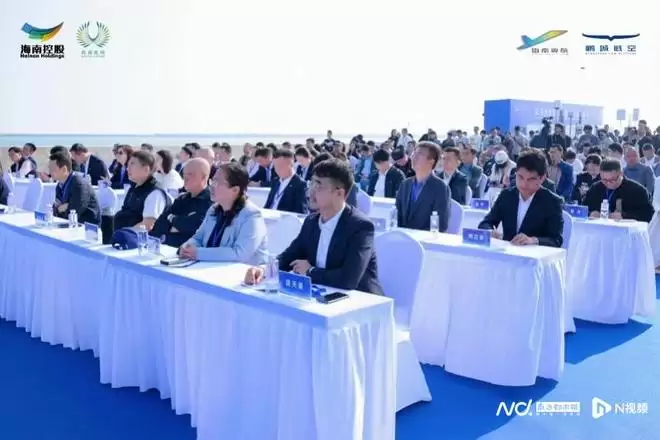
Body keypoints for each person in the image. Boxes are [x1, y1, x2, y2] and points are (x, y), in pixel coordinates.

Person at [243, 159, 384, 294]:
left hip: (361, 301)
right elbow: (289, 256)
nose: (311, 191)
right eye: (311, 184)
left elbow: (348, 279)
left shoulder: (360, 227)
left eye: (318, 185)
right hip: (322, 296)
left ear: (339, 193)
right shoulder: (311, 222)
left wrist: (310, 271)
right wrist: (265, 270)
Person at [180, 162, 268, 264]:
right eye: (212, 181)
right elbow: (198, 238)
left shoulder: (251, 215)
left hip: (245, 272)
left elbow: (240, 253)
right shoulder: (213, 210)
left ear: (235, 190)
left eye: (217, 182)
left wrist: (198, 253)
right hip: (212, 268)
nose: (211, 186)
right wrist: (187, 247)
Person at [478, 149, 564, 247]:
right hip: (507, 252)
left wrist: (533, 240)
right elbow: (485, 223)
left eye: (530, 179)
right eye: (520, 177)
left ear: (542, 178)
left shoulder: (552, 202)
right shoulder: (506, 195)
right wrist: (490, 231)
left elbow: (556, 240)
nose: (524, 184)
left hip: (534, 254)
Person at [150, 158, 213, 247]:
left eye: (190, 174)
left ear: (204, 177)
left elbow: (194, 229)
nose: (185, 178)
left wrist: (172, 219)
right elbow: (158, 225)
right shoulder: (182, 199)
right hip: (167, 248)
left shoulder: (210, 201)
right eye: (184, 174)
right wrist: (177, 227)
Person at [395, 141, 451, 231]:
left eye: (419, 154)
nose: (413, 157)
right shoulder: (405, 184)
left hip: (425, 238)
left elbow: (441, 224)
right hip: (403, 236)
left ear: (431, 161)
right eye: (414, 153)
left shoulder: (440, 188)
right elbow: (397, 215)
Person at [113, 150, 171, 230]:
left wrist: (126, 234)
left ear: (146, 169)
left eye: (132, 164)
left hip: (137, 237)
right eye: (128, 164)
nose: (127, 168)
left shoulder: (155, 193)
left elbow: (148, 225)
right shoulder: (134, 188)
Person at [584, 159, 654, 222]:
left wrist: (624, 216)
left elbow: (648, 215)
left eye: (612, 179)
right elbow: (583, 208)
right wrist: (590, 213)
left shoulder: (637, 190)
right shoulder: (595, 188)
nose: (608, 183)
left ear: (621, 174)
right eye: (604, 180)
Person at [48, 152, 101, 225]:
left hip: (86, 227)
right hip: (69, 225)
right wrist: (61, 208)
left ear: (64, 169)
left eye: (52, 169)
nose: (49, 172)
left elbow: (74, 212)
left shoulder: (79, 183)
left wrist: (63, 208)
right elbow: (55, 211)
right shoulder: (59, 186)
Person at [263, 149, 308, 214]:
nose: (277, 169)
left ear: (291, 164)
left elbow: (301, 212)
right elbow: (268, 205)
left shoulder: (300, 184)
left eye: (281, 166)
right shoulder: (276, 181)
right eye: (275, 166)